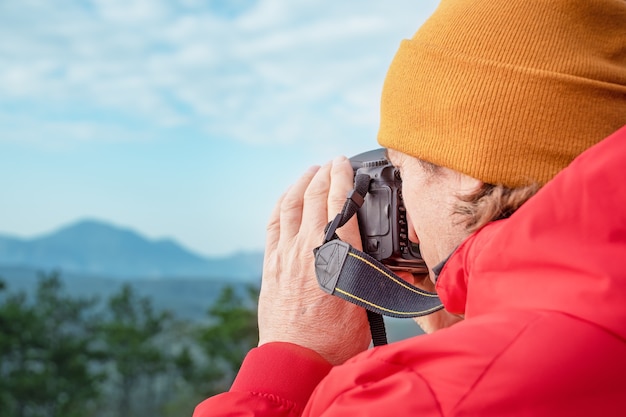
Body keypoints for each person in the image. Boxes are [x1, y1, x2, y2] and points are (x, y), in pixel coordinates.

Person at [194, 0, 626, 415]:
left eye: (401, 169)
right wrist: (476, 319)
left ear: (468, 163)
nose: (403, 205)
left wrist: (285, 365)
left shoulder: (431, 396)